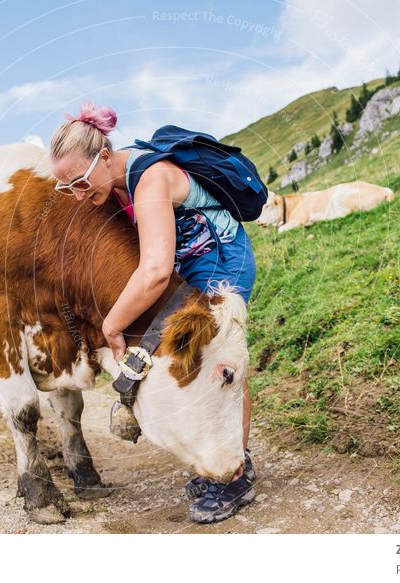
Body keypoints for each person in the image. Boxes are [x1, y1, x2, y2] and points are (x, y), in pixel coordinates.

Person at [48, 101, 257, 524]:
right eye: (66, 188)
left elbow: (156, 271)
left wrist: (112, 324)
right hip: (195, 261)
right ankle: (227, 459)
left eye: (80, 181)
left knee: (220, 365)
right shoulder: (121, 179)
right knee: (200, 364)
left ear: (104, 156)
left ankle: (235, 475)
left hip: (221, 262)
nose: (78, 195)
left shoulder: (149, 180)